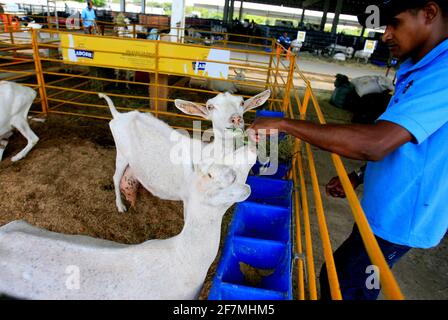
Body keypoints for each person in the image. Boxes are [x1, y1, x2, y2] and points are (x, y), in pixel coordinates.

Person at [249, 0, 448, 300]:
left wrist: (287, 126)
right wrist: (357, 175)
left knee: (346, 286)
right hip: (383, 205)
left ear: (429, 13)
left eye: (394, 23)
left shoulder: (443, 73)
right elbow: (408, 142)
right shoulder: (420, 66)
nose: (385, 35)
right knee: (345, 278)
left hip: (399, 219)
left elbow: (377, 143)